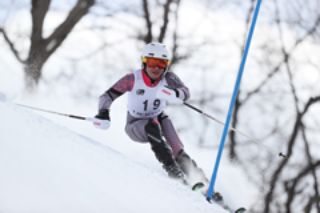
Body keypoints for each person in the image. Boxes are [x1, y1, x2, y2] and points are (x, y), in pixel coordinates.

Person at [93, 42, 208, 185]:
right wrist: (103, 112)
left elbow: (186, 92)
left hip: (158, 118)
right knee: (151, 125)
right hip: (135, 125)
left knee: (177, 149)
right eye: (152, 62)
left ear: (166, 65)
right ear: (144, 62)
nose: (156, 68)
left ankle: (205, 184)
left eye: (161, 63)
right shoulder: (133, 79)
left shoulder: (169, 78)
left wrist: (175, 93)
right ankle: (174, 171)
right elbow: (107, 96)